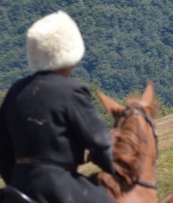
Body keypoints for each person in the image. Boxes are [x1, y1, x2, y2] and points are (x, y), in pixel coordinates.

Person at [0, 11, 115, 203]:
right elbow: (100, 144)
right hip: (59, 186)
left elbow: (2, 149)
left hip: (18, 187)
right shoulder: (72, 91)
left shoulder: (16, 91)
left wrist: (15, 183)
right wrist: (115, 170)